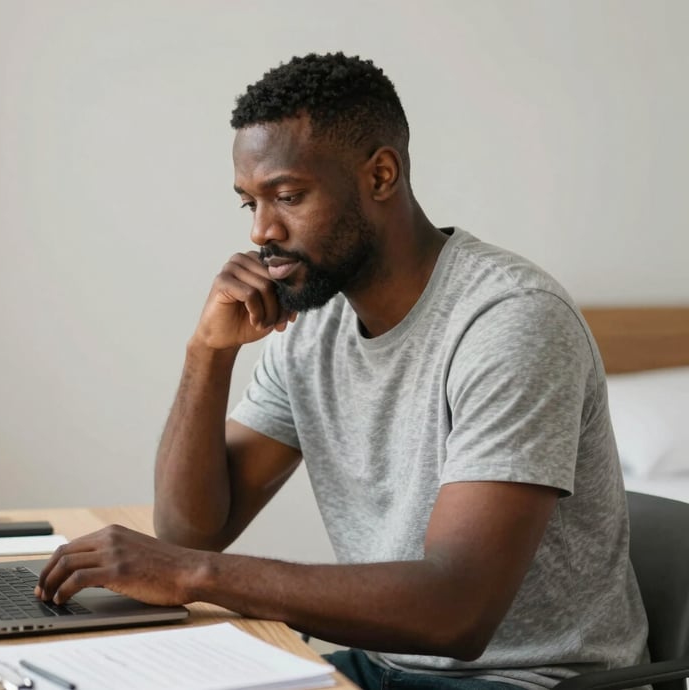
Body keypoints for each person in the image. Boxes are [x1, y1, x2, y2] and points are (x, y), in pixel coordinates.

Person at [36, 52, 648, 690]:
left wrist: (195, 576)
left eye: (288, 196)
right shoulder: (316, 326)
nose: (263, 232)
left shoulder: (510, 322)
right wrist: (208, 353)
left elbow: (456, 612)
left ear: (381, 175)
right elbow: (195, 528)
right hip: (388, 669)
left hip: (525, 681)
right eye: (249, 203)